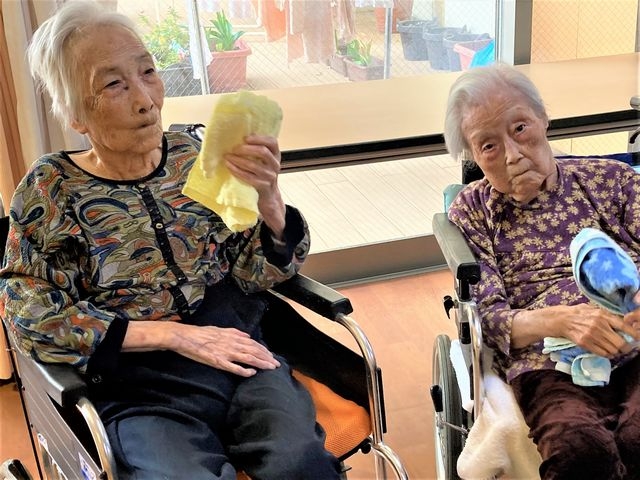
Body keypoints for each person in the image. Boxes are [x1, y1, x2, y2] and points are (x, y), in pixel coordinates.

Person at [0, 2, 342, 479]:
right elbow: (28, 314)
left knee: (298, 463)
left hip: (240, 357)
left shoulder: (193, 157)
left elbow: (255, 274)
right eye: (114, 84)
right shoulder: (51, 189)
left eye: (148, 72)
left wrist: (269, 201)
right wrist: (175, 335)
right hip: (140, 387)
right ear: (76, 115)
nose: (146, 100)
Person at [444, 63, 640, 480]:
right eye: (489, 146)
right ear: (475, 157)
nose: (513, 154)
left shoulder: (614, 181)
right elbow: (488, 319)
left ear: (543, 118)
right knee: (578, 450)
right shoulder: (474, 211)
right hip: (548, 363)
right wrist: (563, 321)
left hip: (636, 341)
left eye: (520, 128)